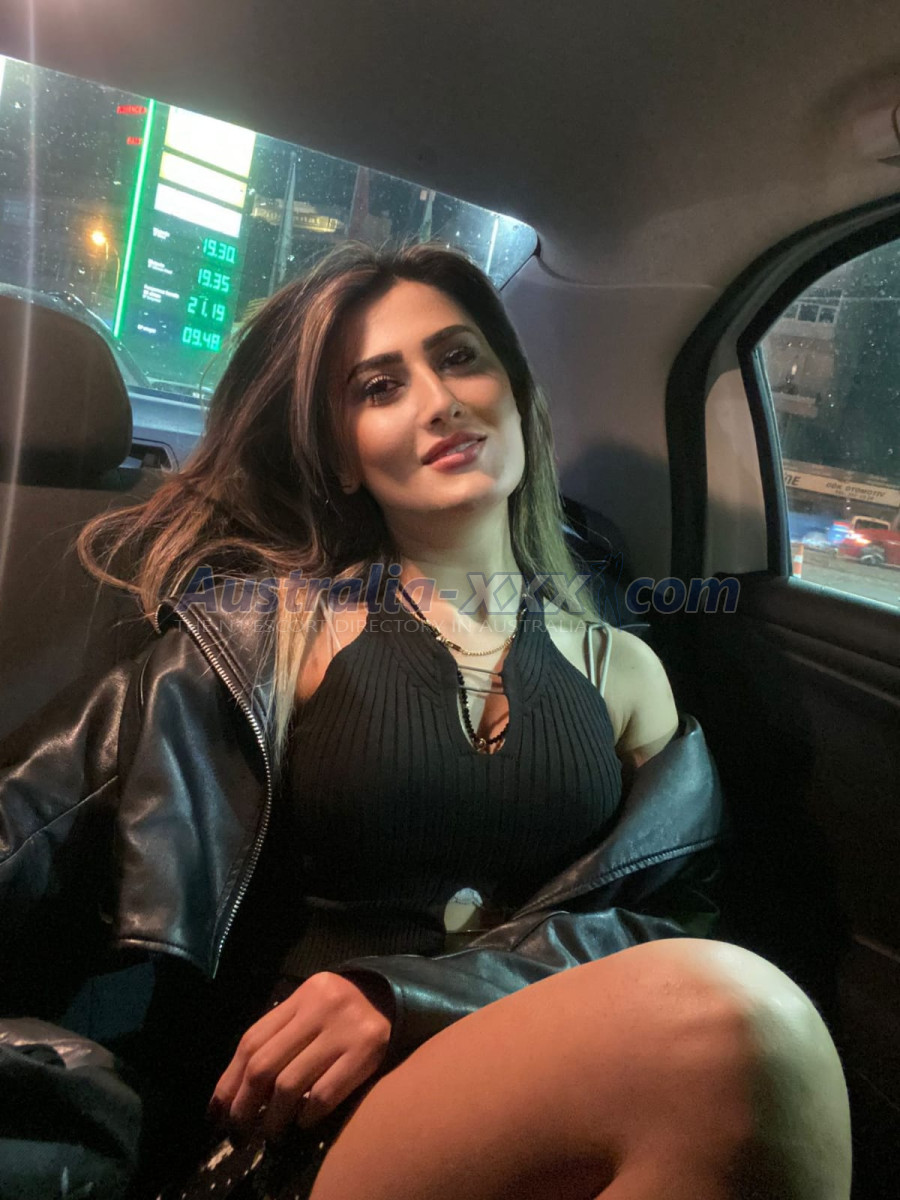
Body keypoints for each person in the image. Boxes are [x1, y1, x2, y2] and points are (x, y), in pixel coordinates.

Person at [0, 241, 850, 1200]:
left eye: (458, 358)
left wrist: (408, 996)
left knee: (736, 1023)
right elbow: (29, 828)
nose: (439, 401)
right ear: (343, 459)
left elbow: (671, 929)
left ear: (516, 395)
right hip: (290, 1132)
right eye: (380, 387)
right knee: (734, 1037)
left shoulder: (628, 671)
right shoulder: (261, 639)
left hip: (548, 1081)